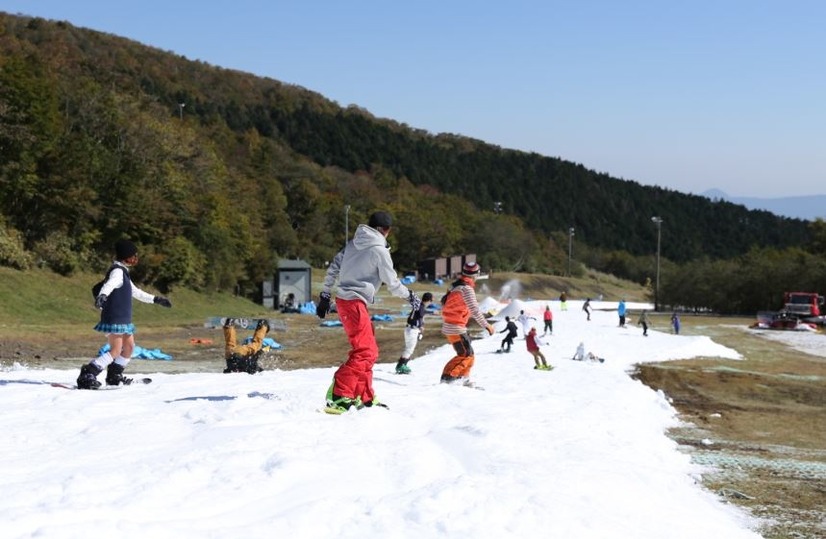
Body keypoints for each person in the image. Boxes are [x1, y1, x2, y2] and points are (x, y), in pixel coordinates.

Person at [316, 211, 419, 411]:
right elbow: (393, 283)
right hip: (353, 302)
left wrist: (325, 295)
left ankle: (364, 396)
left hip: (349, 302)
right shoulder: (380, 251)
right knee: (366, 351)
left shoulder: (353, 244)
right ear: (386, 231)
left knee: (368, 350)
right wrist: (410, 296)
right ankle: (339, 394)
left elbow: (334, 267)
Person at [77, 239, 172, 389]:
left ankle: (114, 376)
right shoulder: (117, 271)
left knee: (129, 347)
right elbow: (110, 284)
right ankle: (88, 373)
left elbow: (136, 292)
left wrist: (156, 299)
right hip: (114, 317)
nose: (136, 258)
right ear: (125, 256)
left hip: (123, 319)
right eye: (133, 255)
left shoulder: (124, 272)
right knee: (115, 350)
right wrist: (102, 296)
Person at [440, 261, 495, 385]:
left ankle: (463, 379)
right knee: (466, 355)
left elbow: (453, 306)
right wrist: (487, 325)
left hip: (451, 326)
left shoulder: (455, 286)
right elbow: (475, 310)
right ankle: (449, 378)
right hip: (456, 327)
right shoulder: (467, 289)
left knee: (469, 354)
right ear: (476, 274)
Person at [395, 292, 434, 374]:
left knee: (408, 348)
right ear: (429, 300)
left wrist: (429, 314)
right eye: (431, 301)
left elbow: (420, 314)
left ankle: (402, 364)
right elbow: (420, 315)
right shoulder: (421, 307)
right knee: (409, 349)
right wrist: (421, 326)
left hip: (409, 329)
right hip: (412, 330)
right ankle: (401, 366)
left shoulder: (419, 305)